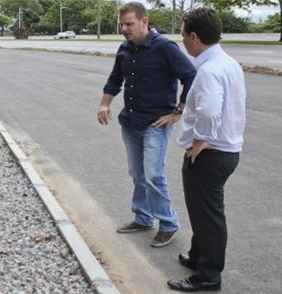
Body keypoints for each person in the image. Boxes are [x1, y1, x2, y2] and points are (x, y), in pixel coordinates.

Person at [98, 2, 196, 248]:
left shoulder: (164, 48)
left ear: (145, 21)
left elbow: (191, 76)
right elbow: (115, 79)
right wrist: (105, 104)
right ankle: (143, 218)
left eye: (129, 24)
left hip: (156, 123)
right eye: (121, 24)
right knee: (137, 173)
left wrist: (179, 111)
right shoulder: (124, 49)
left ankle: (168, 223)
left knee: (154, 175)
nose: (124, 29)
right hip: (131, 122)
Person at [167, 7, 246, 292]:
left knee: (208, 216)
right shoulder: (228, 63)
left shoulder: (210, 70)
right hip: (225, 149)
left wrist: (201, 139)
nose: (183, 41)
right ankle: (197, 257)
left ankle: (208, 275)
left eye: (184, 35)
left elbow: (211, 110)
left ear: (195, 36)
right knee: (202, 211)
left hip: (211, 153)